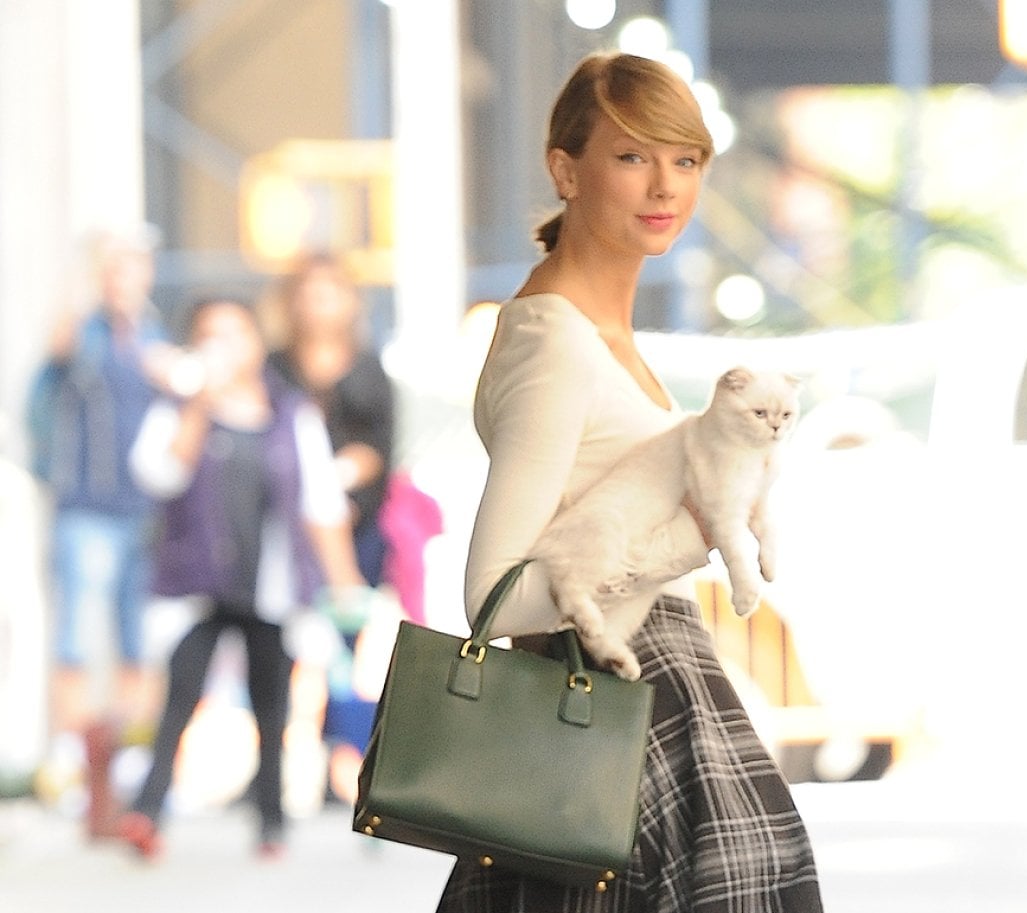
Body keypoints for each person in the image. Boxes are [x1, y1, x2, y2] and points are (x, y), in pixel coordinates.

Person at [439, 52, 824, 911]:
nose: (665, 186)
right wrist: (682, 536)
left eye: (685, 160)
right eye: (631, 156)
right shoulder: (556, 342)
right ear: (565, 170)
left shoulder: (600, 330)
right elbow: (492, 601)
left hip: (648, 698)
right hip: (608, 708)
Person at [116, 296, 368, 860]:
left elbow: (320, 504)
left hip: (269, 588)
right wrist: (196, 406)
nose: (225, 346)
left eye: (235, 334)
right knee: (181, 696)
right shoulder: (180, 407)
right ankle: (146, 812)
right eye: (212, 334)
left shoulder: (290, 413)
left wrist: (344, 583)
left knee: (271, 705)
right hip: (201, 589)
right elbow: (159, 474)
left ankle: (271, 824)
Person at [26, 224, 168, 833]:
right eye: (112, 271)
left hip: (144, 510)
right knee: (77, 634)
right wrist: (52, 475)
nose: (122, 282)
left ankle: (127, 761)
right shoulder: (79, 334)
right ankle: (70, 759)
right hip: (86, 504)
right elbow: (39, 404)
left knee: (137, 638)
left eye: (130, 270)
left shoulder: (157, 340)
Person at [263, 253, 396, 801]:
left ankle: (340, 766)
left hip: (355, 531)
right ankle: (271, 769)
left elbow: (381, 450)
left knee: (344, 650)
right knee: (280, 648)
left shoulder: (367, 368)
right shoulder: (274, 368)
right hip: (287, 534)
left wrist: (338, 476)